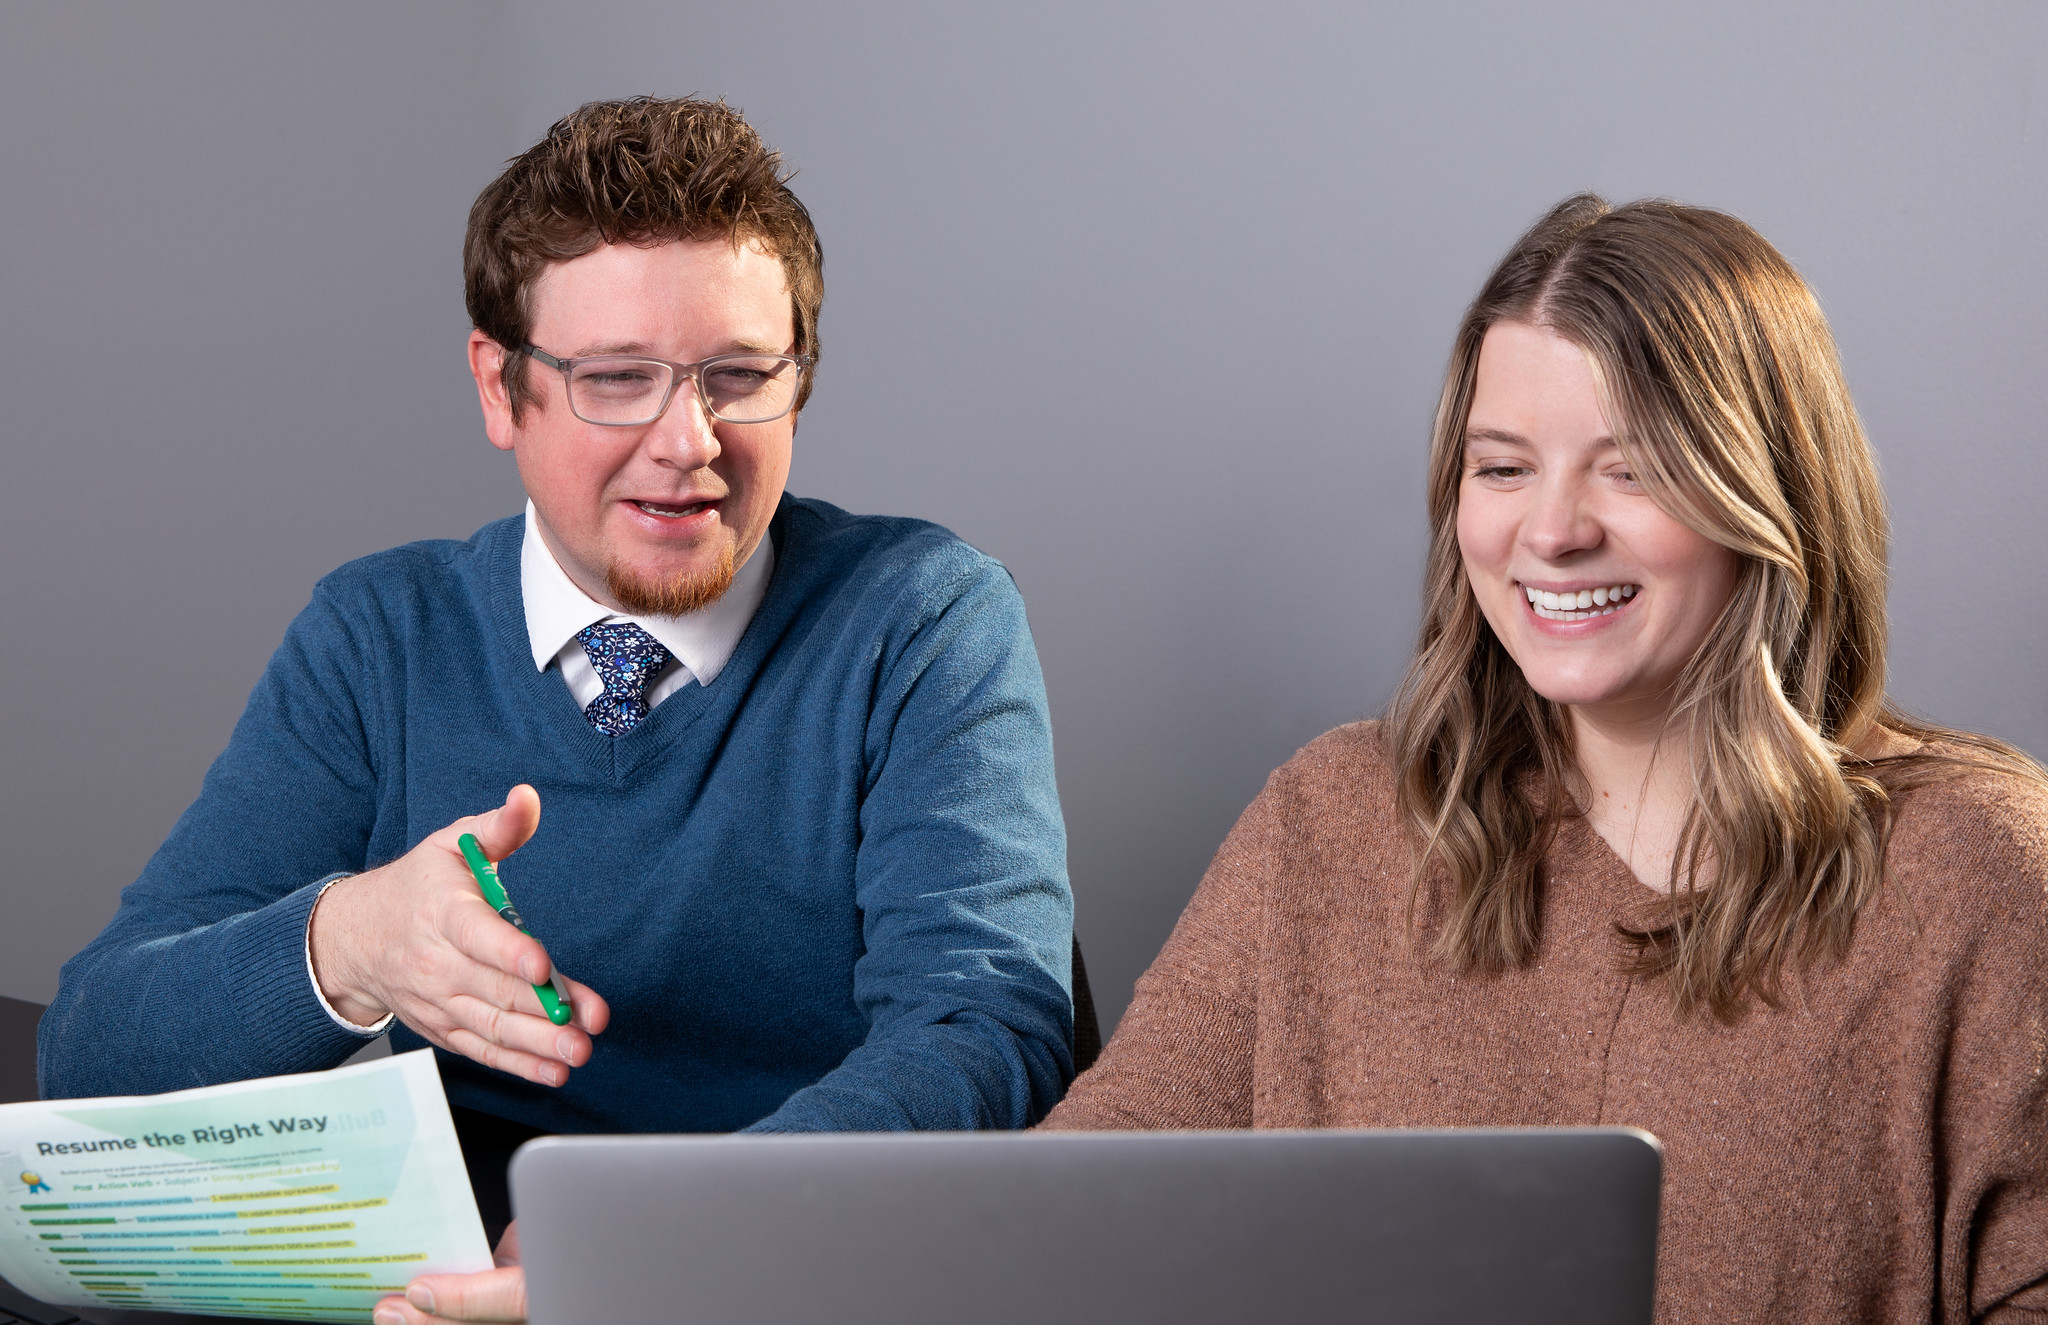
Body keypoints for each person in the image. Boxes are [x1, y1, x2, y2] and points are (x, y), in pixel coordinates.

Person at [38, 96, 1076, 1323]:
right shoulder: (380, 636)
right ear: (500, 386)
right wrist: (352, 943)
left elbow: (983, 1027)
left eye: (739, 377)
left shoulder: (923, 618)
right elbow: (92, 1054)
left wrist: (651, 1239)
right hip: (469, 1292)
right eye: (617, 380)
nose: (687, 441)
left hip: (802, 1278)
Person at [1042, 195, 2048, 1322]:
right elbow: (1068, 1219)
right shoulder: (1332, 817)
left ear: (1766, 494)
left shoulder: (1981, 869)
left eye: (1630, 468)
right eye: (1502, 466)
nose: (1553, 529)